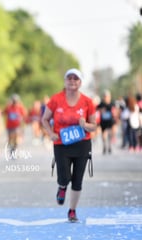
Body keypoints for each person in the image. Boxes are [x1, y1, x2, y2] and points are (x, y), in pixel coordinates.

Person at [41, 68, 97, 222]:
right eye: (69, 78)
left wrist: (85, 124)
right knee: (65, 176)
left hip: (82, 144)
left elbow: (94, 126)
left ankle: (72, 210)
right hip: (61, 143)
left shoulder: (87, 101)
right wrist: (51, 134)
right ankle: (62, 186)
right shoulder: (55, 99)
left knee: (78, 180)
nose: (72, 81)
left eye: (76, 79)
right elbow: (44, 119)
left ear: (80, 82)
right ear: (65, 81)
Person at [97, 90, 117, 154]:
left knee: (110, 134)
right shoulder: (101, 104)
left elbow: (115, 111)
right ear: (103, 97)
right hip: (103, 121)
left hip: (110, 121)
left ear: (110, 97)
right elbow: (97, 109)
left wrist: (114, 114)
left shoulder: (112, 103)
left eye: (108, 96)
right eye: (105, 96)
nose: (106, 98)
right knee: (104, 134)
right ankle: (104, 146)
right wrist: (101, 110)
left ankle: (109, 146)